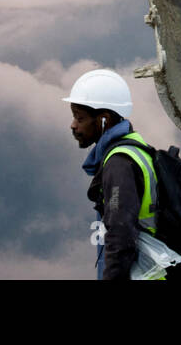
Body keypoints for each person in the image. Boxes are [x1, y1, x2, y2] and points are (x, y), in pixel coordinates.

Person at [64, 68, 160, 280]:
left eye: (79, 118)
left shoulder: (118, 164)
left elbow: (121, 234)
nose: (73, 125)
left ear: (104, 119)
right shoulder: (137, 149)